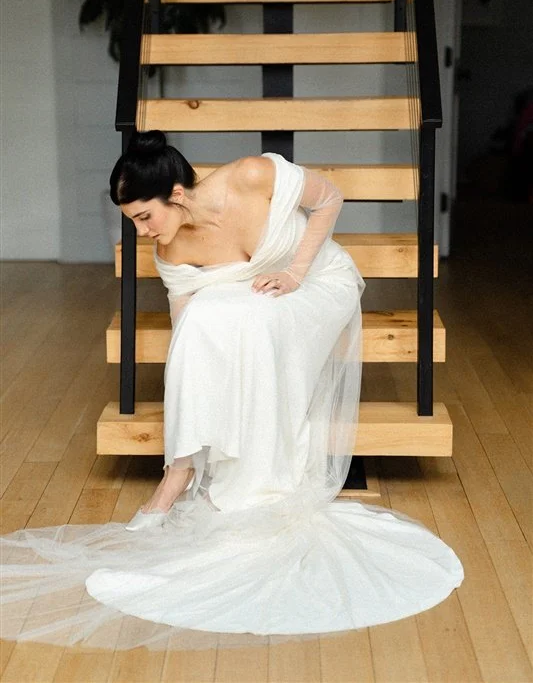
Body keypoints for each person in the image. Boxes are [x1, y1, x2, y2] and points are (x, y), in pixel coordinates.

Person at [0, 131, 463, 651]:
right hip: (256, 297)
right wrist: (194, 370)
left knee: (255, 321)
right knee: (201, 324)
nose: (142, 232)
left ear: (176, 194)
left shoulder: (250, 175)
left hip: (316, 280)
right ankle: (178, 474)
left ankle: (257, 471)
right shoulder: (172, 248)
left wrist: (295, 271)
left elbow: (330, 197)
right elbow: (186, 320)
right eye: (134, 222)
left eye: (144, 217)